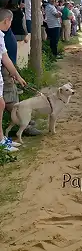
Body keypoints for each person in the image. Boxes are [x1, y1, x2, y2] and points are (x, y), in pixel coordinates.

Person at [0, 9, 28, 152]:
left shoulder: (1, 35)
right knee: (2, 104)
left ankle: (2, 140)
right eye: (10, 21)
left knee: (1, 104)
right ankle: (2, 142)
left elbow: (5, 58)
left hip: (2, 73)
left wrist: (17, 76)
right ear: (6, 21)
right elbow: (5, 59)